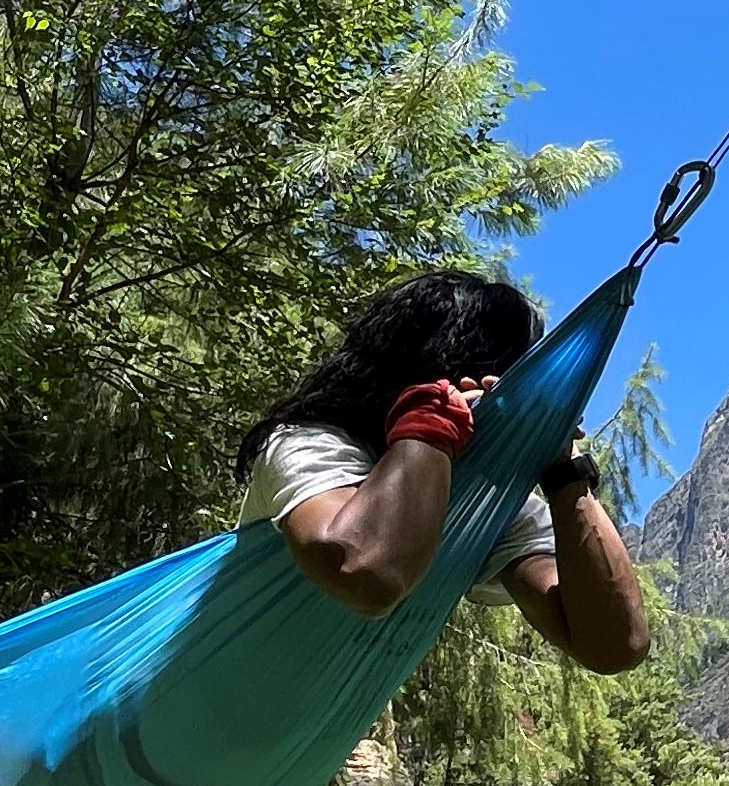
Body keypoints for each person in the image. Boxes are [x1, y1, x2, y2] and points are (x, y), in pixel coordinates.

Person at [236, 270, 649, 674]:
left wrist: (564, 474)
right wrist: (432, 421)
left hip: (300, 740)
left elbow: (615, 646)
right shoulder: (308, 444)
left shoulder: (490, 507)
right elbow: (364, 573)